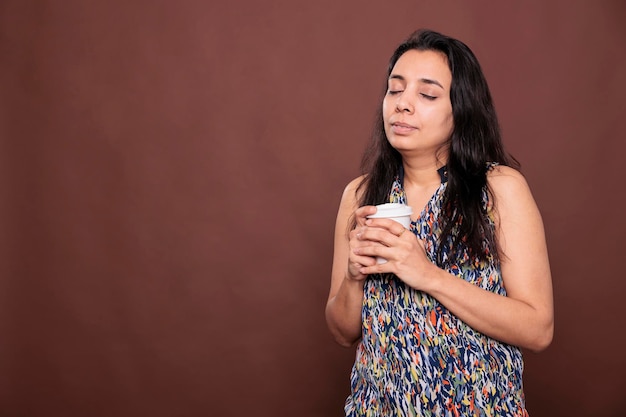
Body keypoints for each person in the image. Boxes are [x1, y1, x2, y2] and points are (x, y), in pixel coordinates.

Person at [325, 29, 554, 417]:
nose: (403, 105)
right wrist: (353, 276)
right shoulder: (361, 195)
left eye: (427, 94)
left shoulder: (500, 189)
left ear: (462, 109)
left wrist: (427, 274)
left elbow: (538, 329)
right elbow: (342, 331)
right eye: (395, 90)